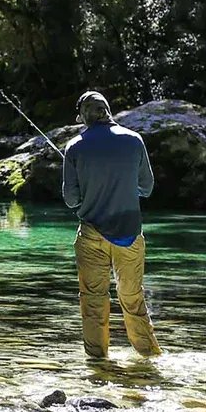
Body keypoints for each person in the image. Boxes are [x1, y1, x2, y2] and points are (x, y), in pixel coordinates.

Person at [62, 90, 161, 359]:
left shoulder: (74, 147)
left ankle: (98, 363)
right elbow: (147, 187)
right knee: (132, 297)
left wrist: (90, 192)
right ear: (108, 111)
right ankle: (148, 358)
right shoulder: (134, 140)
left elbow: (71, 200)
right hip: (129, 233)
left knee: (93, 300)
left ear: (84, 115)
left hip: (91, 232)